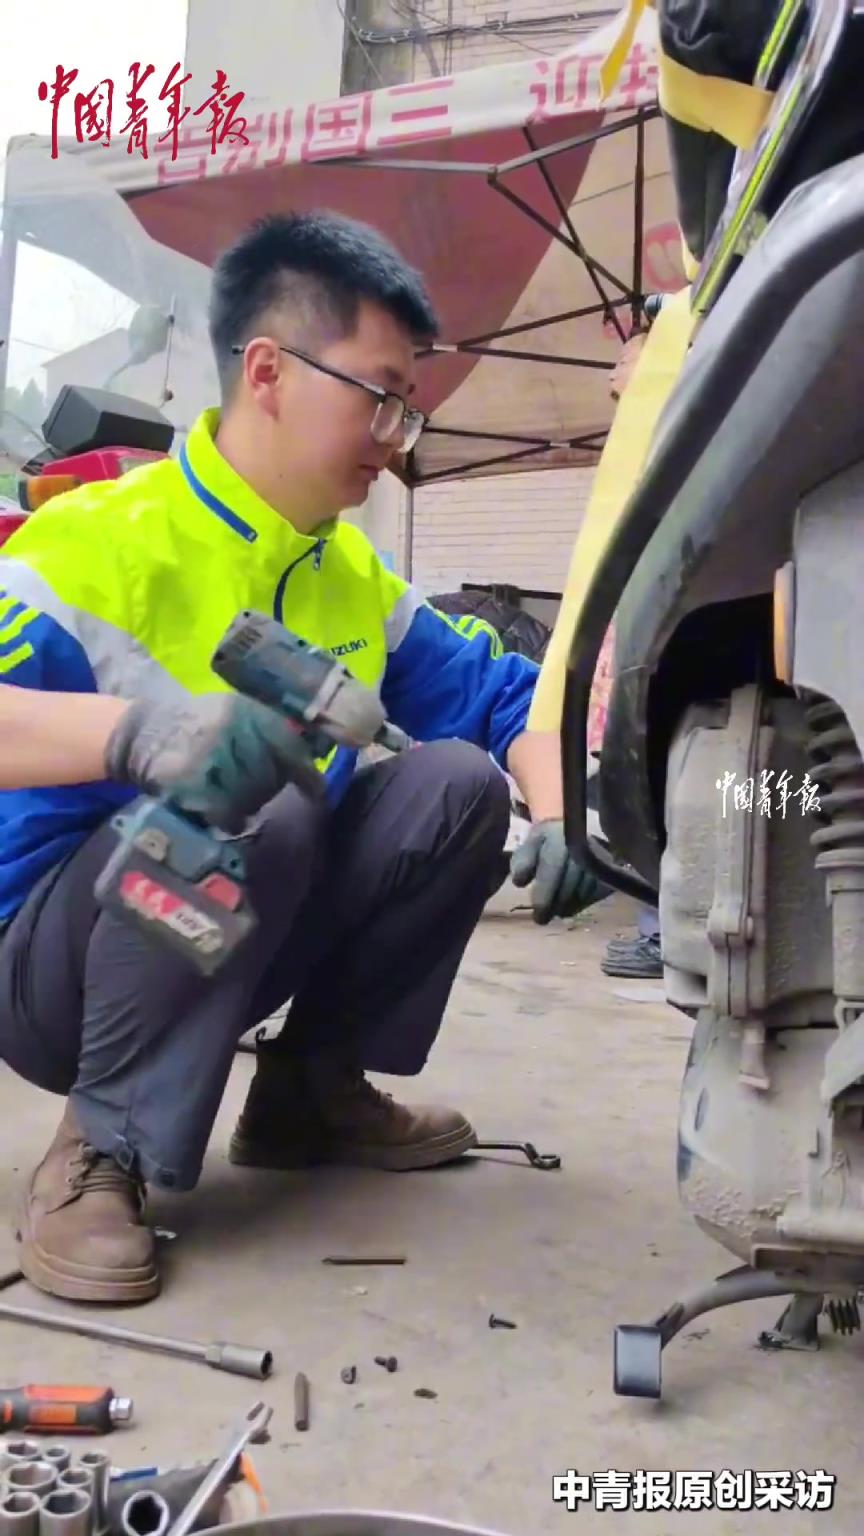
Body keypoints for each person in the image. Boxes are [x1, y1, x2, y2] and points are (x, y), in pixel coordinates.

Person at [0, 211, 606, 1304]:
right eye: (380, 396)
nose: (395, 437)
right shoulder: (93, 546)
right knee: (252, 792)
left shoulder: (352, 577)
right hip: (55, 968)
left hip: (234, 931)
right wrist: (141, 737)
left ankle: (310, 1091)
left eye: (407, 408)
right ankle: (101, 1143)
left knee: (457, 788)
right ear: (270, 371)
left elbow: (515, 705)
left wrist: (563, 810)